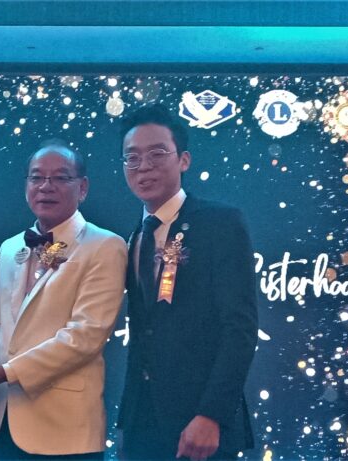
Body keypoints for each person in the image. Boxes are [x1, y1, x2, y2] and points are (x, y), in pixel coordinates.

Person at [0, 142, 128, 459]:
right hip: (3, 425)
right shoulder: (10, 248)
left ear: (82, 187)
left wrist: (7, 372)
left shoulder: (105, 246)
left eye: (60, 177)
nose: (46, 187)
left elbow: (84, 336)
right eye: (37, 177)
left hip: (65, 431)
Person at [115, 105, 258, 461]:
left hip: (200, 423)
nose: (143, 166)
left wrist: (211, 414)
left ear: (184, 160)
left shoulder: (219, 223)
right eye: (132, 157)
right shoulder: (134, 237)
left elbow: (239, 328)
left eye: (157, 153)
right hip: (141, 423)